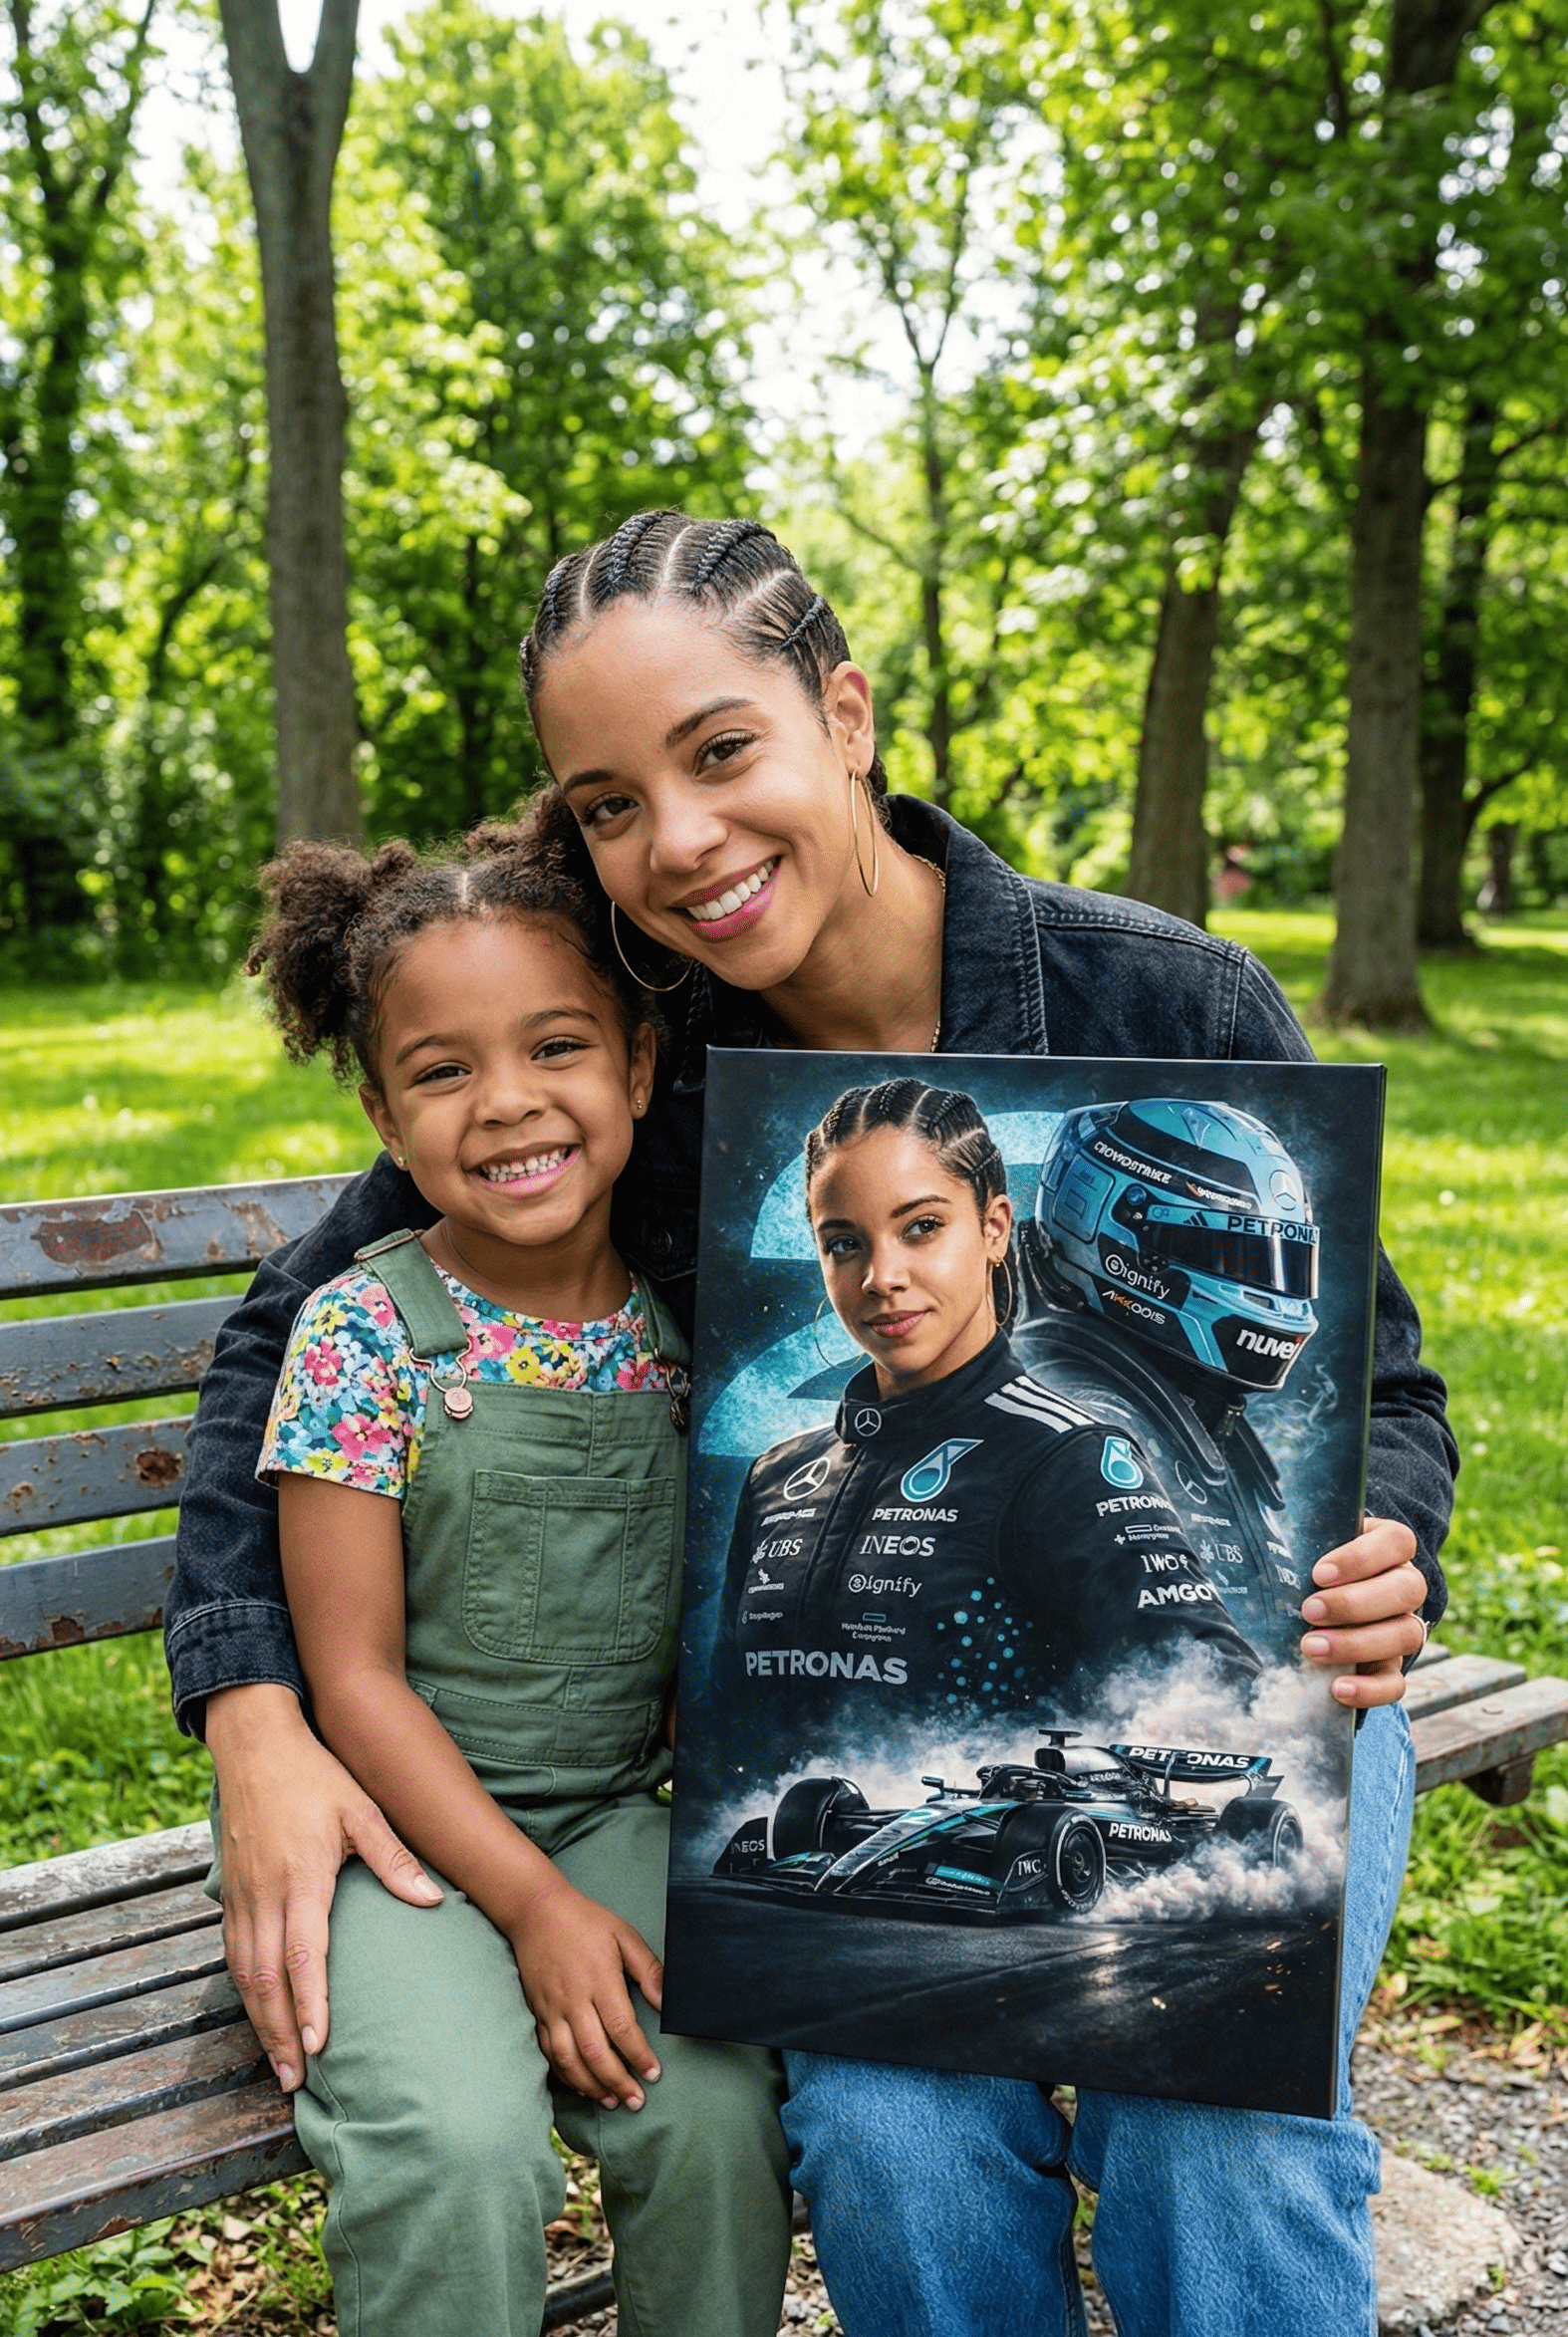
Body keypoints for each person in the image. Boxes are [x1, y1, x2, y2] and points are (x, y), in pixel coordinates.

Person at [166, 509, 1455, 2337]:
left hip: (1254, 1695)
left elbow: (1380, 1387)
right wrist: (252, 1705)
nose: (676, 843)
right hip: (888, 1715)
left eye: (720, 751)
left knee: (1211, 2127)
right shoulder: (638, 1065)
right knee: (883, 2116)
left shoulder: (1160, 999)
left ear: (841, 715)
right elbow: (291, 1339)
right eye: (605, 804)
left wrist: (1383, 1540)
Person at [233, 823, 791, 2337]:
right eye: (441, 1070)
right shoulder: (361, 1336)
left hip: (615, 1809)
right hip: (390, 1838)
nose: (507, 1103)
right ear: (381, 1112)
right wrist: (534, 1902)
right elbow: (351, 1683)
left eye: (555, 1045)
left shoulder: (691, 1340)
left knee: (711, 2116)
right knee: (464, 2145)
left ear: (638, 1063)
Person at [718, 1076, 1261, 1746]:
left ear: (994, 1228)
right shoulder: (776, 1475)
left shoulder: (1073, 1458)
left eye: (921, 1228)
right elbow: (724, 1746)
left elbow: (1224, 1712)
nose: (881, 1277)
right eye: (844, 1243)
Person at [1015, 1094, 1330, 1663]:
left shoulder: (1194, 1410)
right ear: (1124, 1245)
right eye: (1236, 1257)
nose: (1272, 1292)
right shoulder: (1087, 1425)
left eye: (1283, 1261)